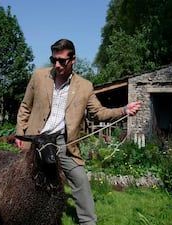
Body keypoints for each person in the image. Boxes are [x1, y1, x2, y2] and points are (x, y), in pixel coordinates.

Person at [15, 39, 141, 225]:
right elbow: (26, 106)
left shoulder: (85, 86)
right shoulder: (39, 76)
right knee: (26, 181)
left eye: (62, 61)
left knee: (80, 180)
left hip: (63, 143)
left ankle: (88, 222)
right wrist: (20, 132)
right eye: (53, 60)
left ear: (73, 59)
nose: (57, 65)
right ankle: (21, 216)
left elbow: (98, 112)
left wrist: (123, 110)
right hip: (37, 140)